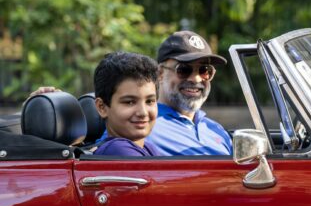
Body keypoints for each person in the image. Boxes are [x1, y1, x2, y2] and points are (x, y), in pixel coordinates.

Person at [31, 31, 232, 156]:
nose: (196, 78)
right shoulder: (127, 139)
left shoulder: (216, 129)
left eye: (205, 71)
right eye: (184, 69)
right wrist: (46, 111)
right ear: (160, 73)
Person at [92, 51, 160, 157]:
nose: (143, 112)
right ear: (102, 107)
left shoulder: (147, 148)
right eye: (129, 102)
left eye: (149, 101)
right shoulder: (117, 150)